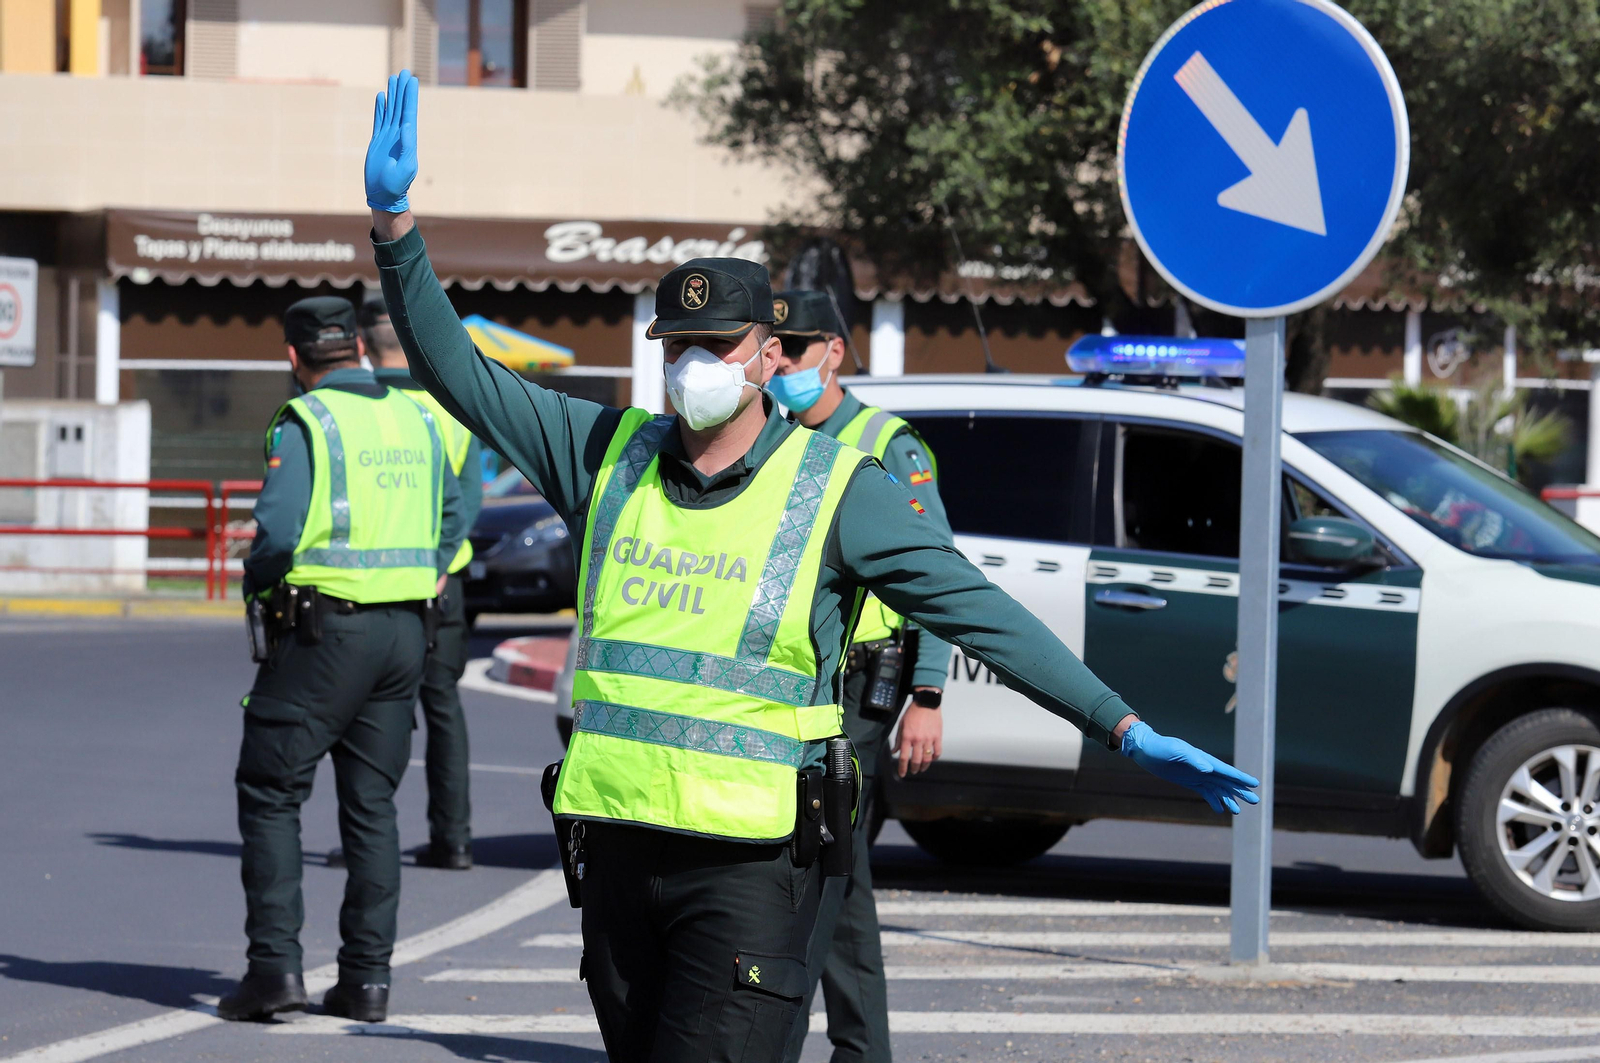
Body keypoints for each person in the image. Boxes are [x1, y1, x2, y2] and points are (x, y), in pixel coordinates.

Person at [363, 69, 1258, 1061]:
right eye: (677, 346)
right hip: (616, 850)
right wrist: (397, 228)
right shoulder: (604, 453)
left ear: (764, 354)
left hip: (754, 869)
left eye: (717, 343)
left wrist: (1122, 726)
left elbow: (979, 612)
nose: (693, 362)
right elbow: (456, 369)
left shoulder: (839, 488)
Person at [218, 295, 463, 1025]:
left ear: (294, 358)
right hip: (405, 636)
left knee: (270, 789)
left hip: (325, 634)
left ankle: (274, 971)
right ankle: (365, 980)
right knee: (373, 806)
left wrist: (258, 580)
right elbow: (452, 517)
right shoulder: (418, 418)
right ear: (356, 346)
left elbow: (278, 531)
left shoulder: (306, 421)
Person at [769, 289, 945, 1063]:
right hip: (795, 682)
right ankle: (855, 1047)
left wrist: (929, 694)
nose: (783, 367)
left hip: (863, 691)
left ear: (835, 351)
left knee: (826, 860)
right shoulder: (771, 437)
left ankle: (811, 1039)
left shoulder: (886, 442)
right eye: (774, 352)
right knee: (833, 866)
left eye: (797, 352)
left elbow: (934, 575)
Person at [363, 291, 484, 870]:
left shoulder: (361, 409)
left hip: (376, 587)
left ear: (363, 346)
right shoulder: (453, 407)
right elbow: (469, 498)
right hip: (445, 583)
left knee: (373, 709)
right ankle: (454, 837)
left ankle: (369, 833)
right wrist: (439, 564)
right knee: (443, 708)